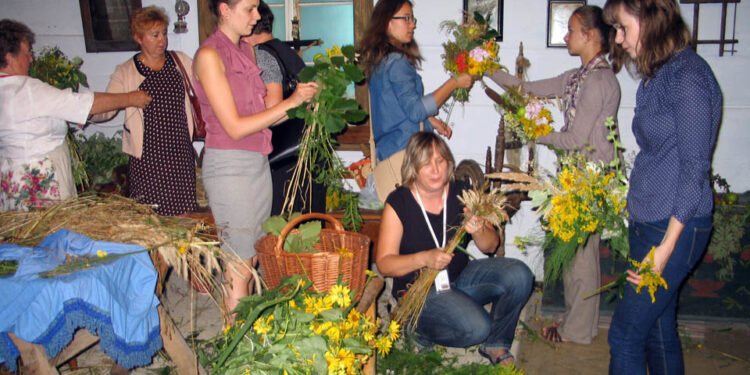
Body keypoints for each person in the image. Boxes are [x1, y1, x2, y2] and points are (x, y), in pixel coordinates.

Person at [488, 6, 621, 345]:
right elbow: (526, 87)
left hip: (591, 180)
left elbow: (575, 140)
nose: (566, 36)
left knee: (581, 258)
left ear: (590, 36)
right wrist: (487, 70)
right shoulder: (577, 77)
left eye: (572, 29)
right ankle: (580, 324)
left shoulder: (600, 81)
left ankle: (576, 330)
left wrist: (536, 131)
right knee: (578, 256)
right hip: (577, 177)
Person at [602, 1, 721, 374]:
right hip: (650, 221)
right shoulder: (661, 74)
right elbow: (661, 153)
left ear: (649, 19)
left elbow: (694, 169)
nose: (618, 39)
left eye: (622, 27)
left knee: (624, 334)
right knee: (657, 328)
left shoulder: (688, 78)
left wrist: (665, 248)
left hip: (673, 228)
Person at [193, 0, 317, 314]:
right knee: (239, 268)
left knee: (254, 257)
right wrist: (291, 101)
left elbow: (263, 118)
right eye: (249, 8)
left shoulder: (246, 51)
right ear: (224, 9)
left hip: (257, 163)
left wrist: (303, 102)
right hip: (230, 168)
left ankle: (250, 340)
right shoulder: (209, 55)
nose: (258, 16)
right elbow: (234, 127)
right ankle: (233, 352)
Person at [375, 132, 534, 366]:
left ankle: (496, 344)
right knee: (477, 328)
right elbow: (384, 263)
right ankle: (419, 331)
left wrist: (478, 229)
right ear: (413, 168)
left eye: (440, 161)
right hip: (418, 292)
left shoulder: (462, 192)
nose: (435, 169)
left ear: (449, 163)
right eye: (426, 163)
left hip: (459, 279)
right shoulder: (399, 202)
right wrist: (424, 258)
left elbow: (491, 246)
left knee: (520, 275)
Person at [0, 19, 151, 212]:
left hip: (11, 179)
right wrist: (130, 98)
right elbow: (84, 104)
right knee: (47, 235)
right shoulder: (28, 89)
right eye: (27, 53)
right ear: (9, 57)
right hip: (37, 182)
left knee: (18, 236)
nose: (31, 59)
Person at [91, 6, 198, 216]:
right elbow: (108, 108)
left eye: (164, 34)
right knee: (152, 218)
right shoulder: (126, 71)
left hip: (180, 152)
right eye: (155, 35)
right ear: (138, 37)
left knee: (184, 214)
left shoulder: (180, 61)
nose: (162, 41)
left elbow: (204, 88)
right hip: (148, 158)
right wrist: (86, 111)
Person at [359, 0, 473, 163]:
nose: (412, 25)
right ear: (387, 22)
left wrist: (430, 121)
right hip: (406, 156)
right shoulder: (396, 62)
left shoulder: (380, 62)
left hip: (390, 153)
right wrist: (453, 83)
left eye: (412, 19)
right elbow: (416, 110)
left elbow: (395, 111)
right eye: (406, 18)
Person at [243, 0, 325, 215]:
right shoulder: (287, 52)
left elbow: (273, 109)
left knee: (282, 232)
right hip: (306, 154)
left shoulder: (261, 55)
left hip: (284, 160)